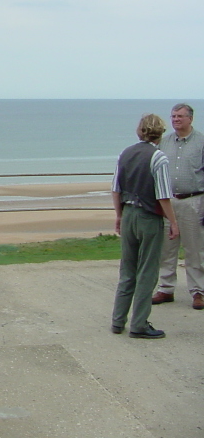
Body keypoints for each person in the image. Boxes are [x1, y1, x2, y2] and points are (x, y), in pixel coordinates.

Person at [111, 114, 179, 338]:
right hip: (148, 216)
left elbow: (116, 189)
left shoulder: (125, 154)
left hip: (129, 212)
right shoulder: (159, 157)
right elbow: (163, 195)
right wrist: (173, 222)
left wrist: (120, 215)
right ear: (160, 132)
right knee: (147, 271)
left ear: (140, 131)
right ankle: (139, 324)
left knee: (127, 269)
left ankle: (118, 320)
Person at [151, 103, 204, 310]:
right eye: (173, 116)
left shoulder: (201, 142)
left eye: (180, 116)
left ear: (190, 118)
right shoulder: (163, 143)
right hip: (168, 202)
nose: (175, 119)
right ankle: (166, 288)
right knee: (167, 248)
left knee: (195, 249)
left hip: (194, 201)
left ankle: (198, 291)